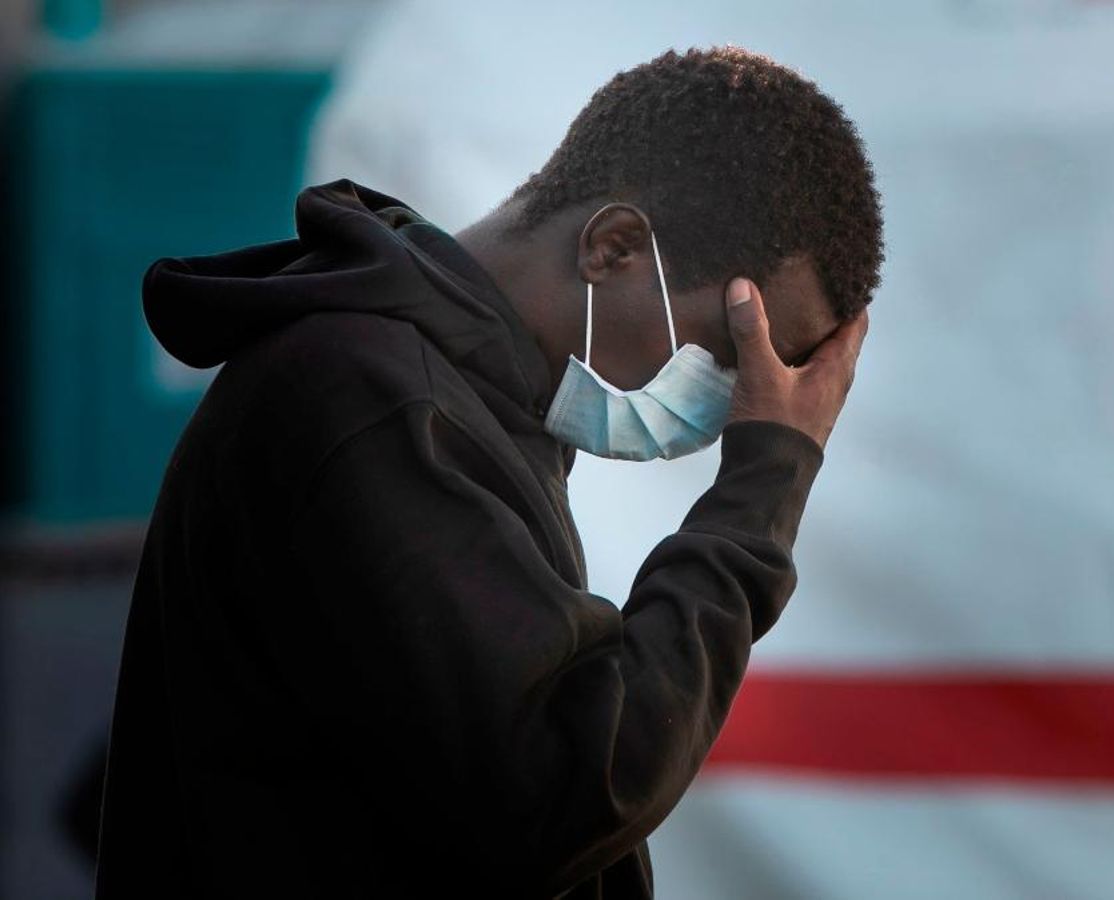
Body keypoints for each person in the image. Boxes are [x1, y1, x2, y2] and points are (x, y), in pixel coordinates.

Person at [95, 46, 884, 898]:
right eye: (729, 356)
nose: (738, 406)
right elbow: (562, 790)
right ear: (613, 248)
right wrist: (764, 485)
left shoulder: (466, 408)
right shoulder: (369, 402)